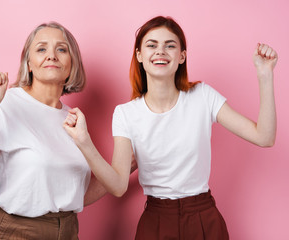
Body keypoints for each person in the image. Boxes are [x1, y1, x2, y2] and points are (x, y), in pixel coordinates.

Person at [63, 16, 277, 239]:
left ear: (182, 56)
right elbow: (117, 185)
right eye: (152, 45)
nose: (160, 51)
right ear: (139, 55)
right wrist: (84, 142)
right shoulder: (126, 114)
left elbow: (264, 136)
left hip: (203, 216)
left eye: (170, 45)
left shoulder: (202, 96)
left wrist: (265, 75)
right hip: (156, 221)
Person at [0, 21, 105, 240]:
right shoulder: (6, 103)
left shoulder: (73, 118)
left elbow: (72, 195)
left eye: (61, 49)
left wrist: (124, 166)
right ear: (29, 63)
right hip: (15, 231)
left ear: (72, 64)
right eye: (41, 49)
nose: (51, 55)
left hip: (68, 230)